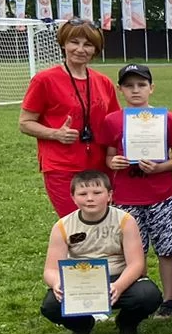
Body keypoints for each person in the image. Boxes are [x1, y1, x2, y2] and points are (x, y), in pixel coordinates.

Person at [97, 63, 172, 319]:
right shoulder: (112, 120)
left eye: (141, 85)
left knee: (166, 248)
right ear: (120, 89)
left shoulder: (165, 118)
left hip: (160, 195)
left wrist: (160, 167)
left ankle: (168, 300)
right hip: (126, 197)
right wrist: (113, 162)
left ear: (151, 88)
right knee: (135, 251)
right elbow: (109, 156)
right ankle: (143, 297)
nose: (135, 90)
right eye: (129, 86)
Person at [40, 170, 163, 334]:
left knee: (149, 296)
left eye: (97, 193)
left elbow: (136, 264)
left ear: (109, 195)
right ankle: (82, 325)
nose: (90, 198)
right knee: (51, 305)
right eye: (83, 194)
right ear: (73, 198)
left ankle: (127, 323)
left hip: (118, 277)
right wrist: (56, 283)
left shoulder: (125, 220)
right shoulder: (62, 226)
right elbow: (50, 270)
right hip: (80, 281)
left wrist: (118, 286)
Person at [20, 19, 120, 215]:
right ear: (64, 44)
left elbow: (114, 124)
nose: (80, 49)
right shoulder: (44, 80)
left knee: (103, 222)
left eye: (88, 44)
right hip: (62, 167)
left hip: (101, 166)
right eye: (74, 42)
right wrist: (55, 133)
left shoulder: (103, 82)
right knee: (75, 222)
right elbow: (25, 123)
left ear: (95, 49)